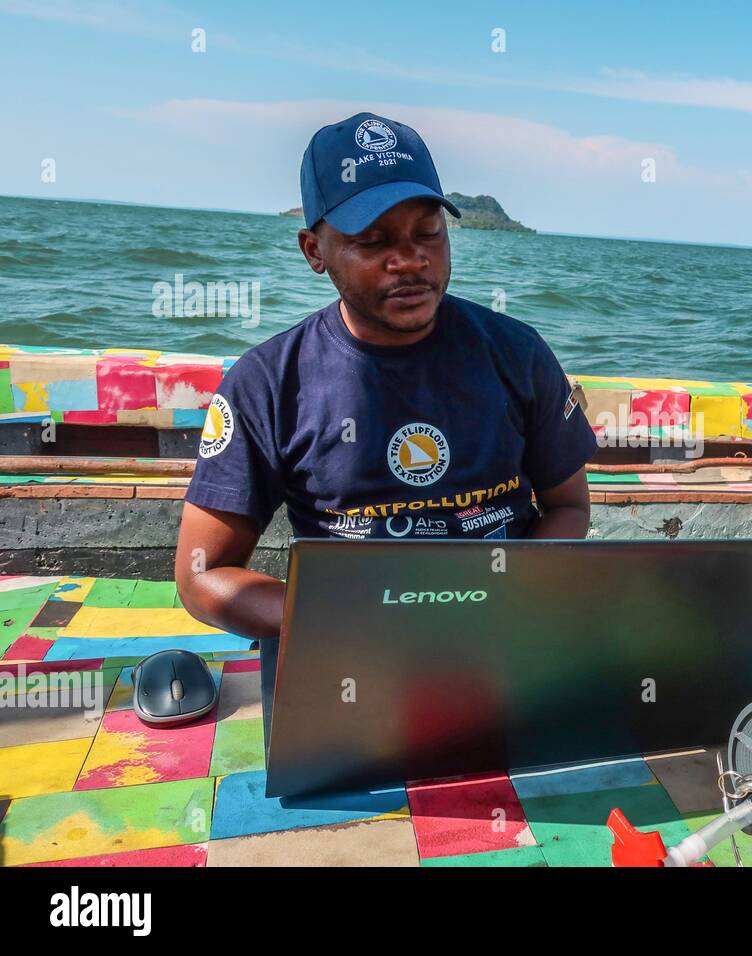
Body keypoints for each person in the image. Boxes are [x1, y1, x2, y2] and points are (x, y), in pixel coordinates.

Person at [174, 112, 596, 640]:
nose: (409, 260)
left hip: (505, 630)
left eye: (428, 233)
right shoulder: (267, 383)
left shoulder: (517, 353)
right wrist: (338, 625)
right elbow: (202, 574)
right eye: (373, 241)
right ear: (314, 251)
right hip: (348, 647)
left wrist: (514, 599)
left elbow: (569, 505)